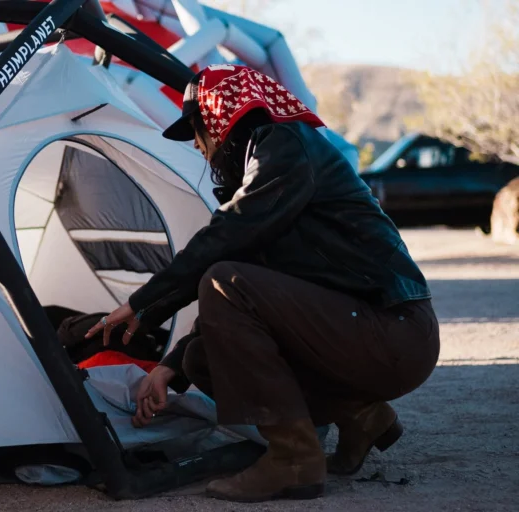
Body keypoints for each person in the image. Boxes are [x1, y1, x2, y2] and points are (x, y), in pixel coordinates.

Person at [85, 65, 440, 503]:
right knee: (202, 357)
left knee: (221, 281)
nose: (197, 146)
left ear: (221, 118)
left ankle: (293, 459)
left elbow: (227, 241)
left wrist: (142, 303)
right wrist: (168, 367)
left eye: (197, 131)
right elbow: (244, 295)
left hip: (393, 330)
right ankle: (361, 416)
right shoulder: (271, 172)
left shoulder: (285, 145)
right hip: (364, 331)